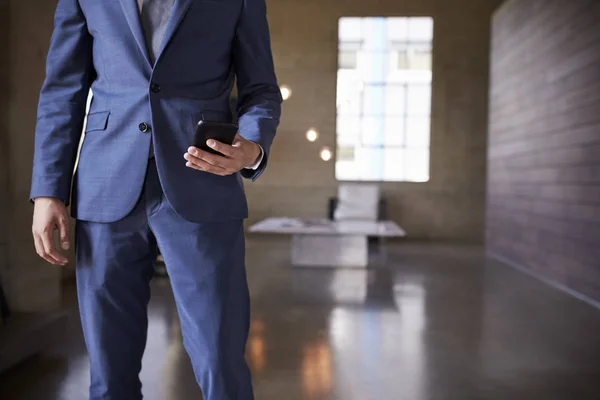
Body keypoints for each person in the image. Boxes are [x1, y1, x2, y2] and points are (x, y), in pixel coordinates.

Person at [29, 0, 281, 398]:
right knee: (110, 373)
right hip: (105, 186)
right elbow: (62, 91)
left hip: (203, 181)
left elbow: (262, 89)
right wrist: (48, 189)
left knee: (220, 361)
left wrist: (252, 148)